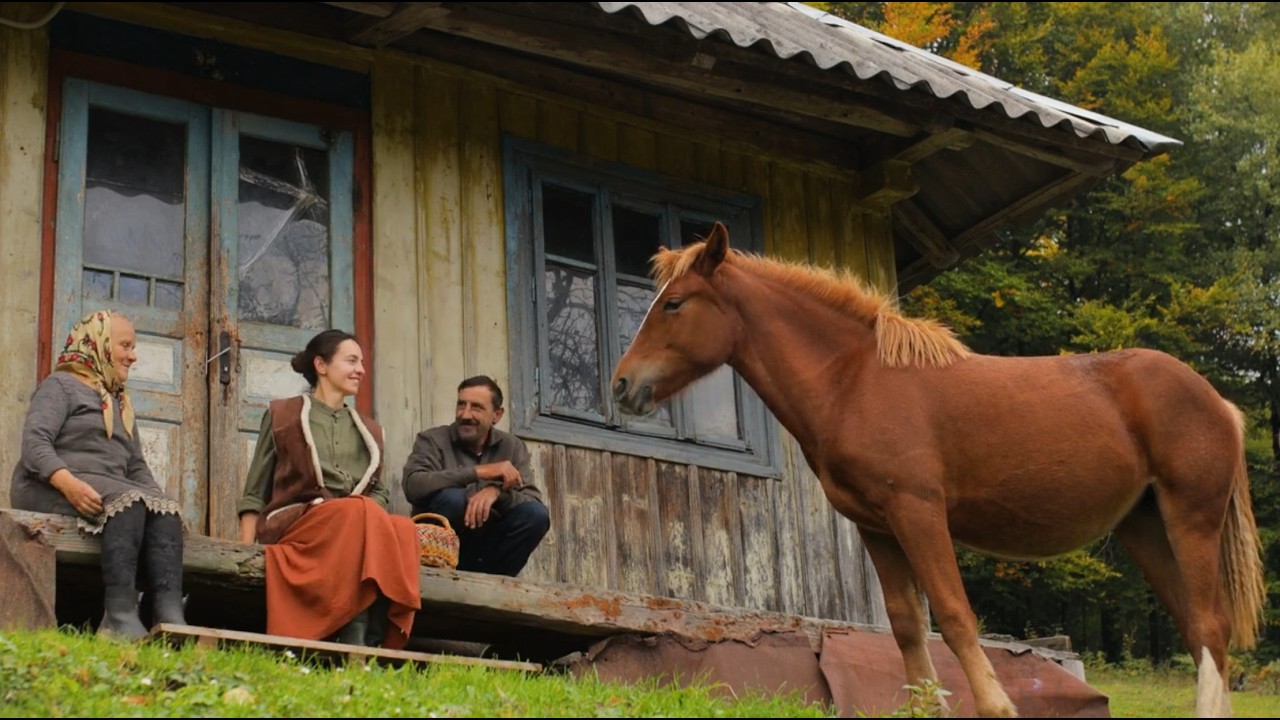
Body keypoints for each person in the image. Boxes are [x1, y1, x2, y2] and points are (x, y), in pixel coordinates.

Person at [237, 329, 421, 648]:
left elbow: (377, 491)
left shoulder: (370, 431)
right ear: (321, 366)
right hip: (298, 523)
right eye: (351, 361)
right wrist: (242, 549)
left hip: (354, 524)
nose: (360, 370)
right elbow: (255, 489)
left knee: (403, 528)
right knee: (355, 511)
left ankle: (376, 640)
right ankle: (353, 637)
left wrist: (365, 514)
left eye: (362, 362)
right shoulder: (283, 414)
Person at [10, 309, 188, 640]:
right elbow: (35, 445)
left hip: (106, 487)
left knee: (164, 510)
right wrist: (68, 484)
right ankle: (118, 616)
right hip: (49, 486)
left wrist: (162, 505)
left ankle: (169, 617)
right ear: (99, 344)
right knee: (129, 502)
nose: (133, 356)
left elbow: (135, 467)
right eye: (125, 346)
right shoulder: (60, 385)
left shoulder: (119, 402)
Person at [402, 375, 550, 577]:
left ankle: (496, 581)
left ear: (496, 415)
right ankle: (438, 574)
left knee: (535, 515)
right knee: (454, 500)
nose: (465, 414)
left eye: (476, 407)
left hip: (490, 552)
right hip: (439, 549)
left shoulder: (512, 446)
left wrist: (496, 492)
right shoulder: (432, 439)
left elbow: (532, 500)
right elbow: (413, 485)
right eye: (461, 405)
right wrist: (479, 472)